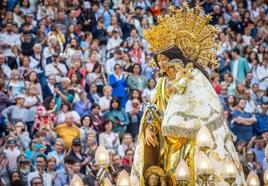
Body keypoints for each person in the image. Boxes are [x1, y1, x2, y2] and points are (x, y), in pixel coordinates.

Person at [131, 6, 246, 185]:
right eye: (159, 60)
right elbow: (153, 110)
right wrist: (148, 127)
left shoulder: (193, 77)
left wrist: (182, 113)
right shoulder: (161, 84)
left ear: (175, 59)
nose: (161, 64)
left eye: (165, 59)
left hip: (191, 140)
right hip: (167, 141)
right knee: (170, 172)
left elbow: (206, 107)